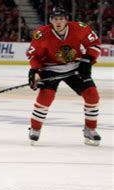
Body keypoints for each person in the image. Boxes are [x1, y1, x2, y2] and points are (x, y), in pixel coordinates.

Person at [26, 6, 102, 146]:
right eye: (55, 19)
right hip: (51, 68)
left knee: (92, 95)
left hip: (75, 68)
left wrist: (88, 60)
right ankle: (35, 129)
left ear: (66, 20)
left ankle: (90, 129)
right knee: (45, 97)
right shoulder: (42, 34)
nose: (58, 22)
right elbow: (33, 55)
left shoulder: (80, 28)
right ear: (51, 20)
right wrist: (36, 71)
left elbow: (94, 44)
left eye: (61, 18)